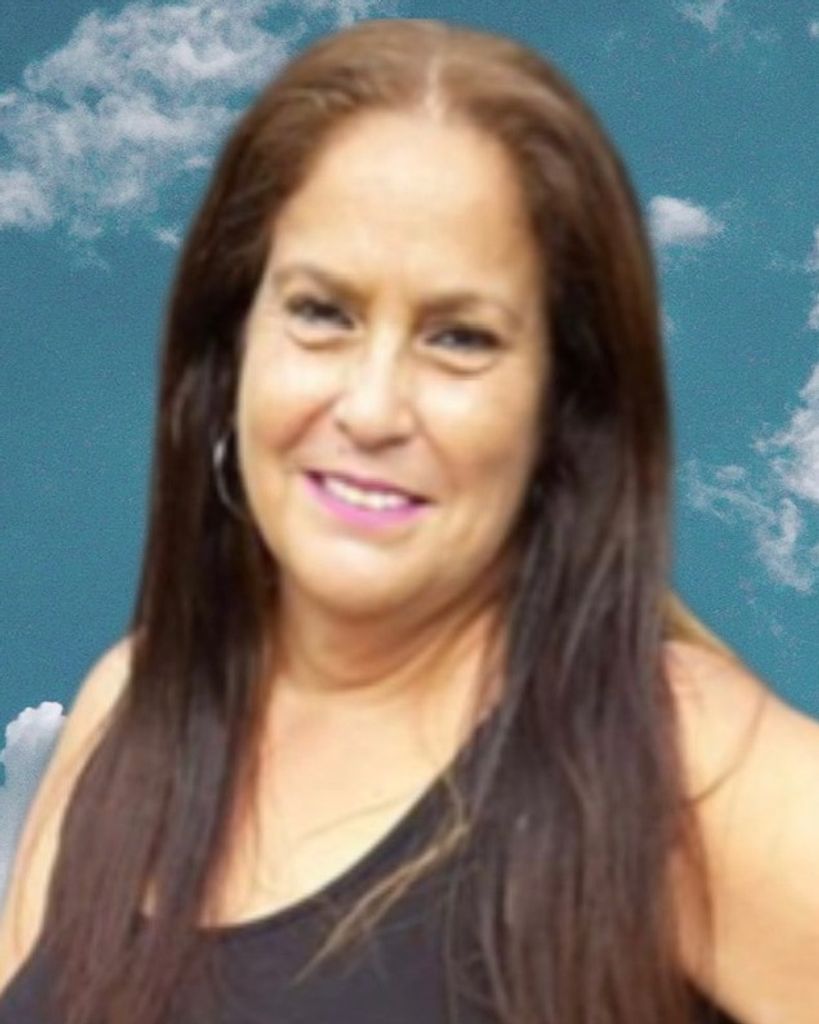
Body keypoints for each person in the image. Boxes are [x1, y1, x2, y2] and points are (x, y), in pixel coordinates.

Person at [1, 16, 817, 1024]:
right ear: (232, 349)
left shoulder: (680, 764)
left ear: (564, 405)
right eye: (322, 313)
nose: (374, 407)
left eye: (460, 337)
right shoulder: (125, 707)